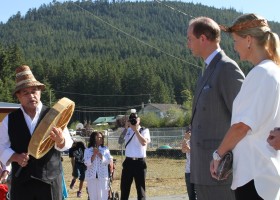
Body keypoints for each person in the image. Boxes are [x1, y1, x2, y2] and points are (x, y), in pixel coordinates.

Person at [210, 13, 280, 200]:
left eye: (235, 40)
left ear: (248, 40)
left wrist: (218, 155)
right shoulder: (274, 72)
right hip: (266, 175)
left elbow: (242, 126)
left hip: (254, 176)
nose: (233, 46)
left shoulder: (260, 74)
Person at [187, 17, 245, 200]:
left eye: (190, 38)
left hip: (220, 173)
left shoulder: (227, 68)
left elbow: (243, 120)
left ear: (203, 38)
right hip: (203, 172)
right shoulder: (208, 69)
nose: (187, 43)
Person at [0, 65, 73, 200]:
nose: (31, 96)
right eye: (25, 93)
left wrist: (60, 140)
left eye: (34, 91)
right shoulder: (9, 120)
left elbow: (67, 143)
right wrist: (16, 157)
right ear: (18, 96)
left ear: (40, 92)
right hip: (22, 183)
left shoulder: (53, 114)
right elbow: (1, 147)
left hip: (50, 181)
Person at [120, 109, 151, 200]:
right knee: (124, 188)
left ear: (139, 120)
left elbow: (144, 143)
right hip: (128, 161)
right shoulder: (128, 130)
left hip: (139, 163)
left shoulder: (144, 130)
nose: (133, 120)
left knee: (140, 189)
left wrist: (136, 130)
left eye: (135, 119)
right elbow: (120, 141)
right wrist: (126, 128)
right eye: (131, 119)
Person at [84, 131, 112, 200]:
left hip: (102, 177)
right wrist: (94, 155)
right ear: (94, 139)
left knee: (103, 197)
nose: (101, 139)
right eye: (99, 137)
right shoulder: (88, 150)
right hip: (91, 178)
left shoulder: (105, 149)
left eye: (102, 138)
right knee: (93, 197)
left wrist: (99, 154)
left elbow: (108, 161)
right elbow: (86, 163)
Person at [181, 128, 196, 200]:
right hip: (188, 171)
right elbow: (183, 150)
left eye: (190, 132)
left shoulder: (197, 141)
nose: (189, 134)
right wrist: (185, 139)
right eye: (188, 132)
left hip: (197, 171)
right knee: (191, 194)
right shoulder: (187, 141)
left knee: (198, 193)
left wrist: (189, 148)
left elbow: (196, 153)